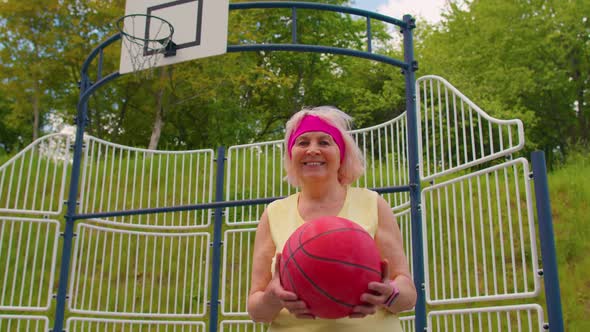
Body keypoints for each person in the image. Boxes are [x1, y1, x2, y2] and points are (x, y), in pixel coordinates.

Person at [247, 106, 416, 331]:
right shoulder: (274, 213)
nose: (312, 150)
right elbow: (257, 311)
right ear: (291, 154)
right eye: (303, 142)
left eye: (324, 142)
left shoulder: (372, 203)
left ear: (341, 154)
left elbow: (408, 296)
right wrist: (273, 297)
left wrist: (389, 293)